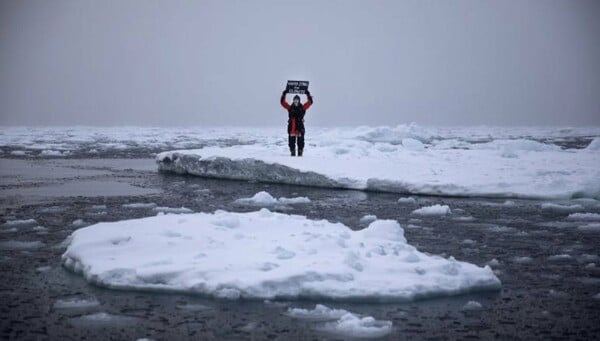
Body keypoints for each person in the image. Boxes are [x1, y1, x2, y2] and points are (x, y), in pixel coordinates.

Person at [280, 89, 313, 156]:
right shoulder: (290, 108)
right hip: (292, 126)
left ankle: (300, 153)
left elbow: (310, 102)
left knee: (300, 141)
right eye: (295, 99)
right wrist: (284, 94)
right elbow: (283, 103)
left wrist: (308, 94)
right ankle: (292, 153)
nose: (296, 100)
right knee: (291, 142)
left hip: (300, 126)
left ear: (299, 100)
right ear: (293, 100)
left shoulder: (303, 107)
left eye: (297, 99)